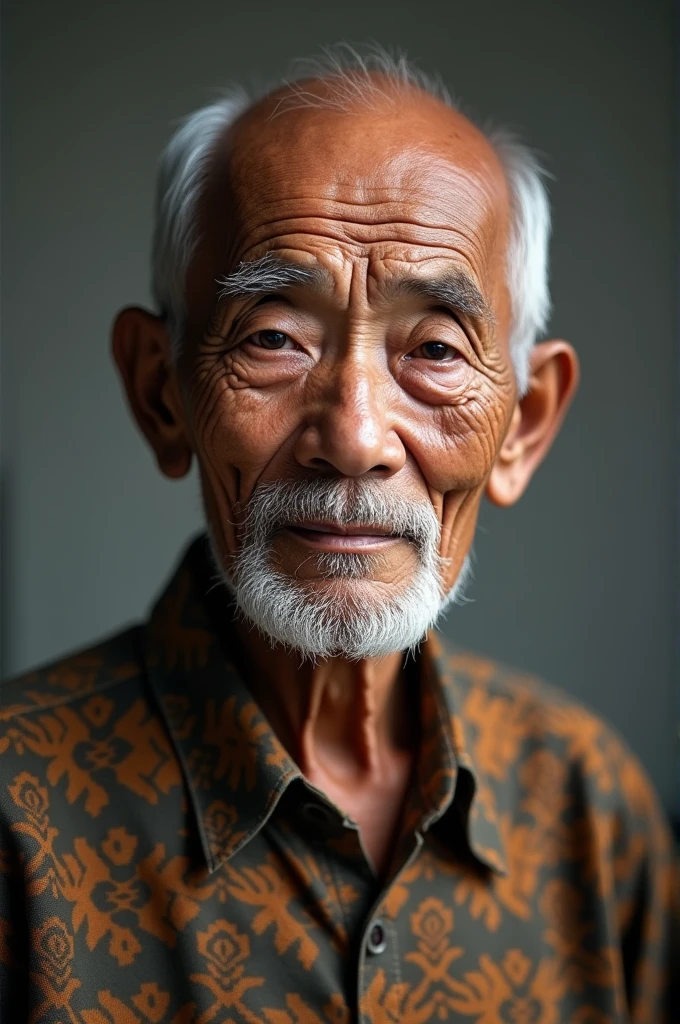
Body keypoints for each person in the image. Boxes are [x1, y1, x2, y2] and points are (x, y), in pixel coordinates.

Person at [1, 46, 676, 1024]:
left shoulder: (590, 809)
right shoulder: (16, 816)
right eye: (274, 336)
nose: (354, 439)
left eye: (434, 351)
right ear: (161, 392)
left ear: (522, 424)